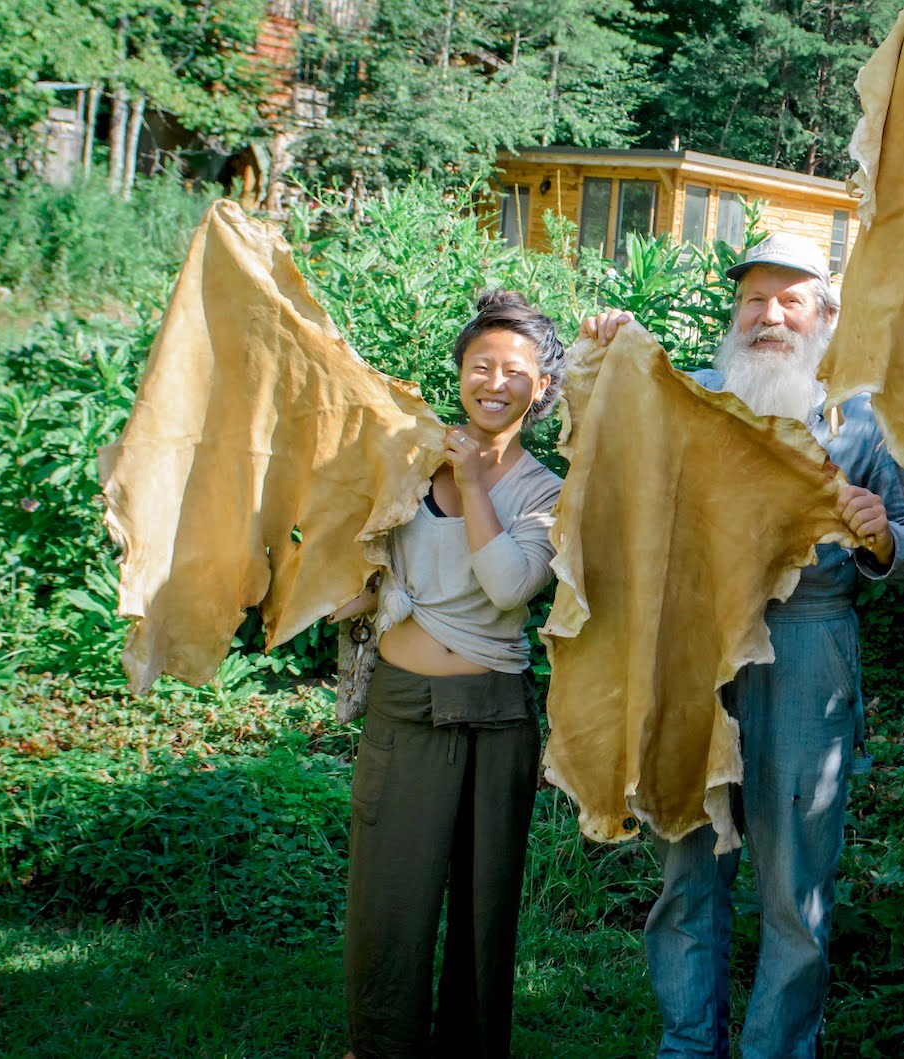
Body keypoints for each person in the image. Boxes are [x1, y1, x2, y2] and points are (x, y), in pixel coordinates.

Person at [582, 232, 904, 1058]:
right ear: (734, 315)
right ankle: (687, 1044)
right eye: (753, 300)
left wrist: (883, 538)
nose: (769, 315)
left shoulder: (866, 421)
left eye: (791, 299)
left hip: (808, 646)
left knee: (795, 880)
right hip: (694, 646)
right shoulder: (690, 395)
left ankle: (779, 1049)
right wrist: (606, 354)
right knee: (685, 863)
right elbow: (606, 451)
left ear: (823, 316)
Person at [330, 289, 566, 1059]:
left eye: (515, 370)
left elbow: (507, 586)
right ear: (459, 373)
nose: (494, 382)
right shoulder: (409, 461)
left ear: (544, 387)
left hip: (495, 715)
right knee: (388, 900)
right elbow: (364, 574)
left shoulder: (547, 493)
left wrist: (471, 485)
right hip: (403, 709)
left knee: (482, 909)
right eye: (479, 365)